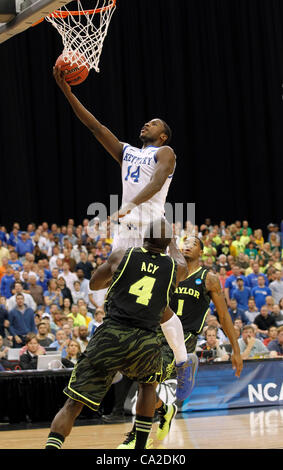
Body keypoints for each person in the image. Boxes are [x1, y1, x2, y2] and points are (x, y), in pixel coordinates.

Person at [45, 219, 192, 450]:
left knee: (73, 403)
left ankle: (52, 447)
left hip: (111, 334)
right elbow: (181, 260)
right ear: (167, 244)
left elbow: (94, 284)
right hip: (145, 340)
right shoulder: (176, 268)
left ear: (144, 238)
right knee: (147, 386)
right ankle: (140, 448)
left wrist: (118, 277)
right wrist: (172, 242)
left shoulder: (122, 255)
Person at [118, 235, 243, 448]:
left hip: (183, 339)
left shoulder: (208, 278)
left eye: (193, 243)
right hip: (158, 333)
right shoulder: (170, 272)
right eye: (185, 242)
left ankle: (137, 438)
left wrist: (236, 350)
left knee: (150, 380)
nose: (187, 245)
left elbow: (223, 316)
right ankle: (164, 409)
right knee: (145, 384)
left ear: (201, 252)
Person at [53, 67, 176, 253]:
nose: (147, 124)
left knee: (153, 279)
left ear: (163, 136)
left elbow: (157, 184)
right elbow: (96, 127)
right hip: (126, 227)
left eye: (154, 123)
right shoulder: (126, 151)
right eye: (147, 122)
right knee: (115, 278)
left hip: (152, 228)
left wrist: (128, 206)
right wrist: (67, 91)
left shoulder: (165, 152)